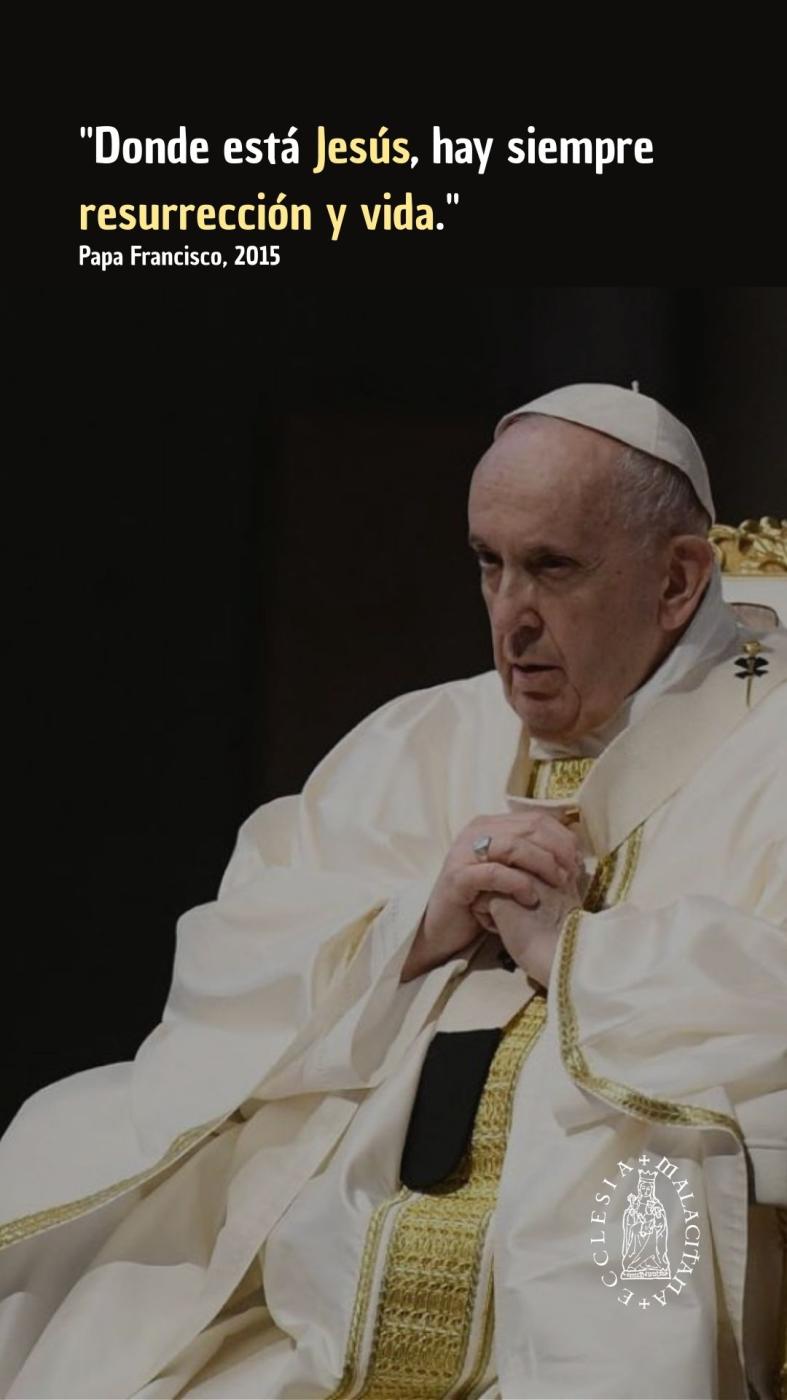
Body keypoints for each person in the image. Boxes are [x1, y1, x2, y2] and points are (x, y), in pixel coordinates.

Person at [1, 384, 784, 1400]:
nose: (511, 617)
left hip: (602, 1272)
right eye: (489, 563)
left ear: (677, 580)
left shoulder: (768, 749)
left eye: (553, 567)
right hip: (328, 1292)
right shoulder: (417, 737)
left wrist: (581, 955)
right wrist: (413, 926)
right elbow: (233, 960)